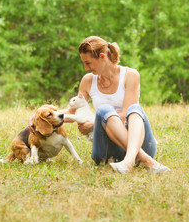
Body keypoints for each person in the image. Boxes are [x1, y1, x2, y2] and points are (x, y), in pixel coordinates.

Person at [69, 36, 170, 174]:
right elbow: (72, 112)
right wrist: (42, 115)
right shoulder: (88, 80)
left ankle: (129, 160)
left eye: (88, 63)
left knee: (134, 109)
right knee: (105, 110)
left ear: (102, 56)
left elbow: (125, 116)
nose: (86, 68)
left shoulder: (130, 75)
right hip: (107, 152)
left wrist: (95, 123)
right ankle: (145, 161)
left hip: (142, 144)